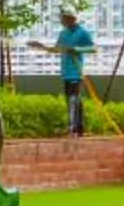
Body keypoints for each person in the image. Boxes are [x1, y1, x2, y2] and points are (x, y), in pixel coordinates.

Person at [31, 8, 99, 136]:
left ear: (71, 18)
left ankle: (73, 129)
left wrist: (76, 49)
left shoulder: (82, 32)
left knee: (74, 100)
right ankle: (77, 129)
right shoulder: (63, 33)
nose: (62, 21)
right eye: (61, 18)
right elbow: (57, 49)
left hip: (76, 72)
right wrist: (41, 46)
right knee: (71, 100)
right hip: (66, 73)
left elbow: (94, 49)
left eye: (64, 18)